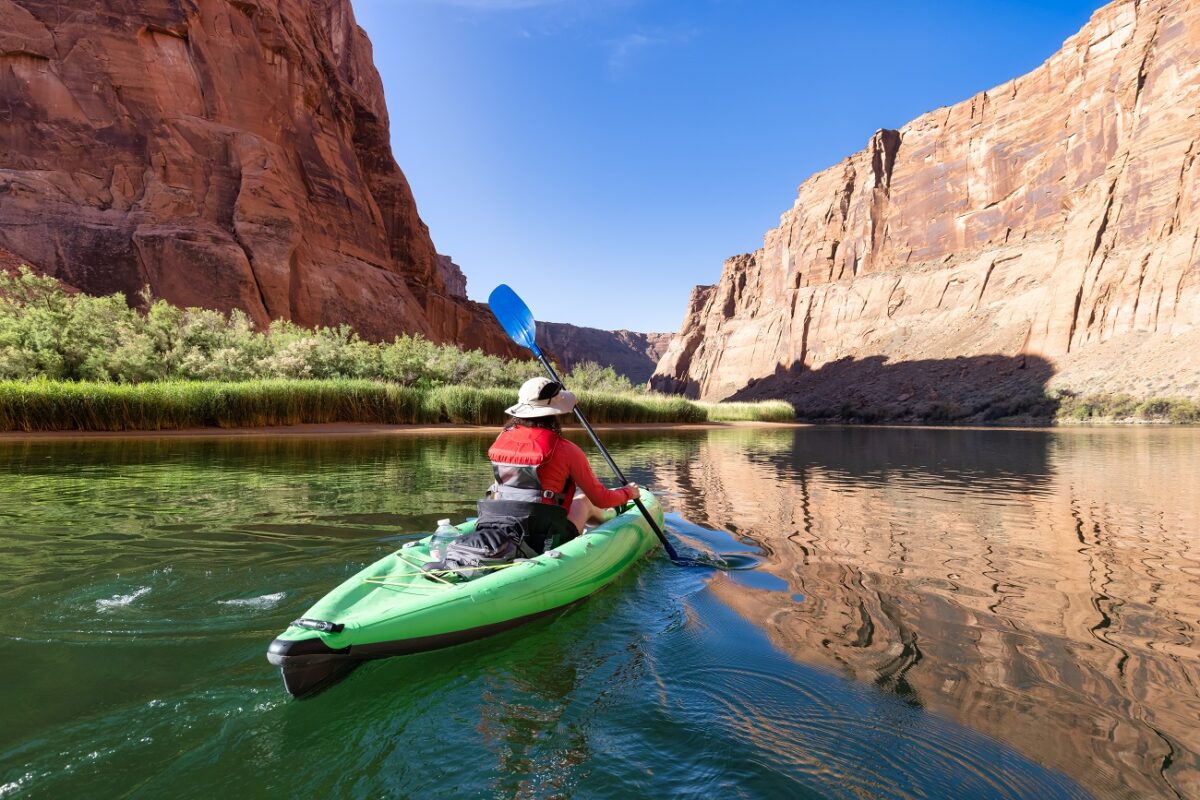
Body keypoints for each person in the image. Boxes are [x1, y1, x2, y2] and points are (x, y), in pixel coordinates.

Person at [478, 376, 640, 553]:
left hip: (502, 526)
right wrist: (628, 492)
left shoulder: (502, 438)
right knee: (584, 501)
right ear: (553, 413)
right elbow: (600, 499)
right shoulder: (567, 450)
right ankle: (614, 519)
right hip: (543, 538)